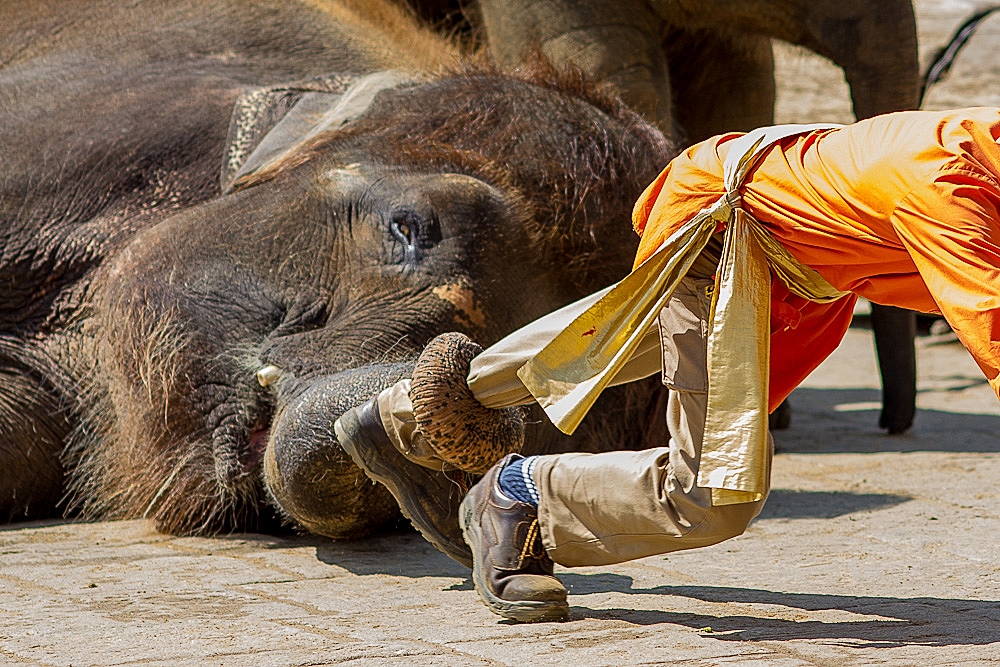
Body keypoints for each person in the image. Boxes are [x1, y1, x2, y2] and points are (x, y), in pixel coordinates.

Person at [335, 107, 1000, 622]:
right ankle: (519, 495)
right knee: (714, 493)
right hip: (728, 231)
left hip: (790, 258)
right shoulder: (950, 183)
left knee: (605, 344)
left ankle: (396, 413)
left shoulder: (975, 158)